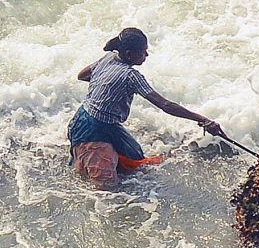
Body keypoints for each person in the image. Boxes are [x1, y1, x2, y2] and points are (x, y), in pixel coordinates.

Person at [68, 27, 225, 187]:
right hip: (94, 131)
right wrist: (203, 120)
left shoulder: (108, 58)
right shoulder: (131, 76)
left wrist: (107, 85)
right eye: (143, 52)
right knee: (106, 189)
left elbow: (82, 75)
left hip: (82, 119)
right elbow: (165, 105)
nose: (147, 55)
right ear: (130, 54)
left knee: (136, 163)